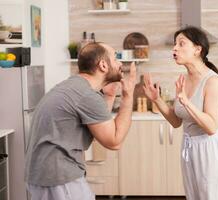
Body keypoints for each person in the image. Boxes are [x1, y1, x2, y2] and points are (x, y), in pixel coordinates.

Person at [25, 42, 136, 200]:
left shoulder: (76, 87)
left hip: (46, 174)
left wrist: (110, 95)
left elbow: (99, 126)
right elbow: (114, 141)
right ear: (103, 65)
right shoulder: (86, 95)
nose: (120, 64)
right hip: (58, 177)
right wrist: (128, 96)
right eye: (116, 58)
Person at [143, 26, 218, 200]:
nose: (174, 48)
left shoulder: (213, 81)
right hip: (189, 146)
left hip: (209, 148)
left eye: (181, 44)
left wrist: (186, 101)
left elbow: (211, 127)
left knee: (212, 195)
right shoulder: (184, 79)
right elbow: (176, 122)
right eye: (174, 44)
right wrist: (157, 99)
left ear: (198, 50)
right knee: (193, 195)